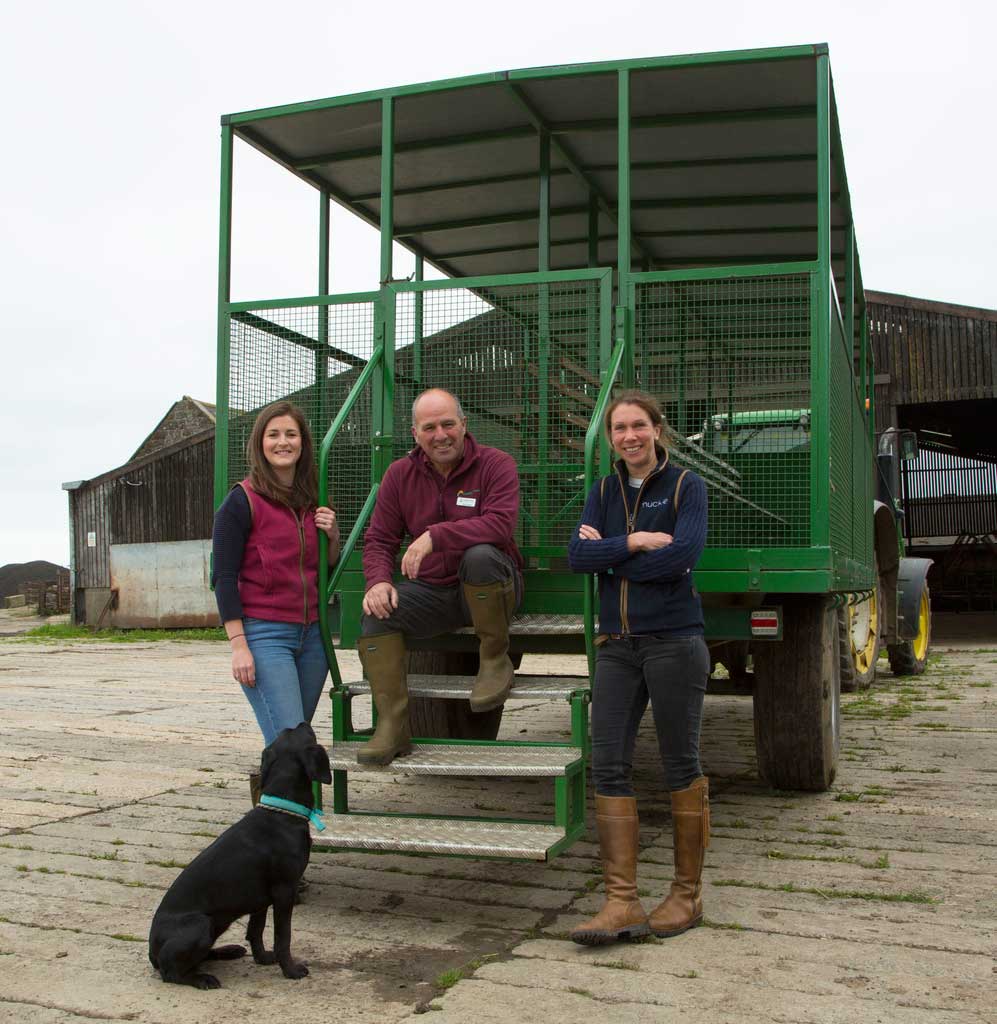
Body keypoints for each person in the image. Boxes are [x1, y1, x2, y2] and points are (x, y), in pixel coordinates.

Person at [567, 390, 710, 945]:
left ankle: (686, 894)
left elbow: (684, 556)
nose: (629, 436)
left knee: (680, 764)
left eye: (638, 426)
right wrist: (636, 541)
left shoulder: (685, 486)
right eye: (619, 429)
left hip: (674, 640)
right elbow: (578, 558)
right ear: (610, 439)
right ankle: (621, 901)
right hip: (616, 647)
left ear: (658, 429)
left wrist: (613, 557)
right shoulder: (601, 491)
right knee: (607, 766)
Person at [358, 388, 524, 765]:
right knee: (377, 612)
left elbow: (499, 526)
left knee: (480, 556)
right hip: (434, 591)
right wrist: (378, 581)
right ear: (415, 434)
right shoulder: (399, 474)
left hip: (493, 589)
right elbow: (379, 539)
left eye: (448, 424)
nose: (441, 434)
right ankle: (393, 726)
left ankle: (495, 660)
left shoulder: (496, 464)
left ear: (463, 425)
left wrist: (436, 535)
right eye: (429, 427)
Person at [211, 400, 340, 803]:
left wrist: (333, 535)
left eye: (291, 434)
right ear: (260, 443)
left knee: (293, 741)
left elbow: (326, 565)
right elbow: (224, 577)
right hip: (265, 635)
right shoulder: (241, 500)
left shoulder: (311, 498)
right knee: (292, 746)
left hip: (313, 637)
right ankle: (280, 833)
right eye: (274, 434)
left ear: (303, 442)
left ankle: (278, 826)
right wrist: (238, 646)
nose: (283, 442)